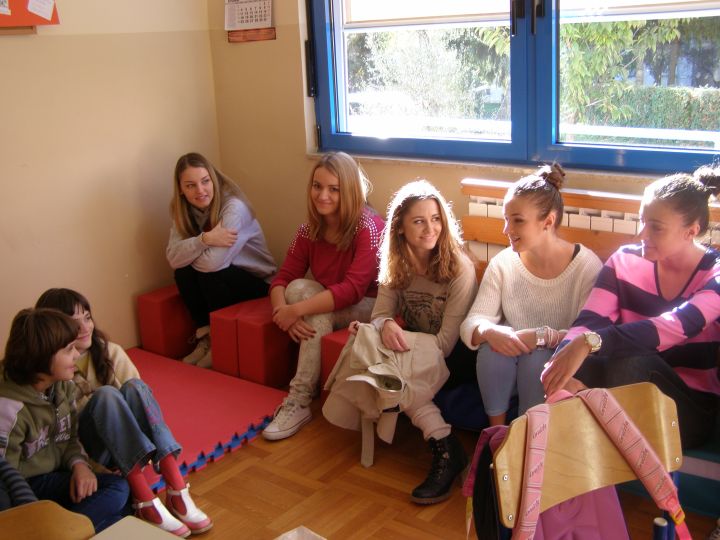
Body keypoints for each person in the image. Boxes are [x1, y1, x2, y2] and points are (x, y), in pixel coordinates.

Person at [542, 164, 720, 449]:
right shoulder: (624, 261)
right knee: (573, 362)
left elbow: (673, 327)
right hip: (624, 393)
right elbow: (589, 320)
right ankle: (581, 438)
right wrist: (562, 366)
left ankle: (592, 424)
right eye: (642, 221)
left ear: (691, 231)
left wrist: (589, 343)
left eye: (656, 227)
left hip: (689, 409)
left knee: (627, 361)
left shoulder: (714, 275)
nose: (642, 234)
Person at [323, 179, 478, 505]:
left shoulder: (459, 269)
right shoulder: (396, 263)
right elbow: (379, 314)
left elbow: (445, 344)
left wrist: (392, 336)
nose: (430, 229)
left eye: (435, 219)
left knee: (387, 363)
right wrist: (387, 324)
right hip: (415, 347)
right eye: (419, 221)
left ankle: (443, 446)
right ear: (400, 228)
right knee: (364, 337)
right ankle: (446, 446)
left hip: (456, 356)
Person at [35, 288, 212, 537]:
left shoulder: (111, 351)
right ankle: (144, 499)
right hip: (90, 451)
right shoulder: (55, 368)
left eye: (87, 317)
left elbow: (142, 408)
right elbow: (65, 433)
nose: (85, 327)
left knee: (136, 387)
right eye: (74, 323)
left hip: (130, 445)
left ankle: (177, 488)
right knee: (107, 395)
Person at [460, 164, 602, 425]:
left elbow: (589, 337)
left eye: (517, 220)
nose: (506, 230)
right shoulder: (503, 263)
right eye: (506, 219)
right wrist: (490, 331)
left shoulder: (586, 266)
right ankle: (497, 436)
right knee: (492, 348)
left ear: (548, 222)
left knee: (537, 357)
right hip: (508, 371)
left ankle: (532, 434)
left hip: (556, 370)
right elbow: (472, 323)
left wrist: (539, 337)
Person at [263, 152, 385, 441]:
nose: (323, 195)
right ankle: (300, 400)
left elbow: (353, 289)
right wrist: (282, 313)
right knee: (296, 288)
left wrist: (297, 311)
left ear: (350, 190)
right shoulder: (308, 229)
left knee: (310, 305)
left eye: (334, 189)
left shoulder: (369, 227)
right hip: (330, 302)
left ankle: (299, 399)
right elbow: (282, 279)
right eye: (317, 186)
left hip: (370, 304)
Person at [0, 308, 131, 532]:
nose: (77, 354)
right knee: (116, 494)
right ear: (42, 356)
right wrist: (33, 515)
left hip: (57, 475)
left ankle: (66, 528)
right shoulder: (9, 408)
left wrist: (80, 465)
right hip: (26, 489)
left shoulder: (63, 386)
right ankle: (54, 531)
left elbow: (69, 438)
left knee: (121, 501)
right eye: (69, 349)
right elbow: (6, 481)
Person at [167, 152, 277, 368]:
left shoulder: (234, 208)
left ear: (213, 179)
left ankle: (220, 341)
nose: (200, 190)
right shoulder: (182, 211)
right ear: (180, 189)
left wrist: (190, 252)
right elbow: (173, 258)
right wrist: (205, 239)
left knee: (208, 272)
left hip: (259, 282)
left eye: (205, 181)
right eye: (190, 185)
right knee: (183, 272)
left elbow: (211, 264)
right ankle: (206, 337)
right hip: (219, 276)